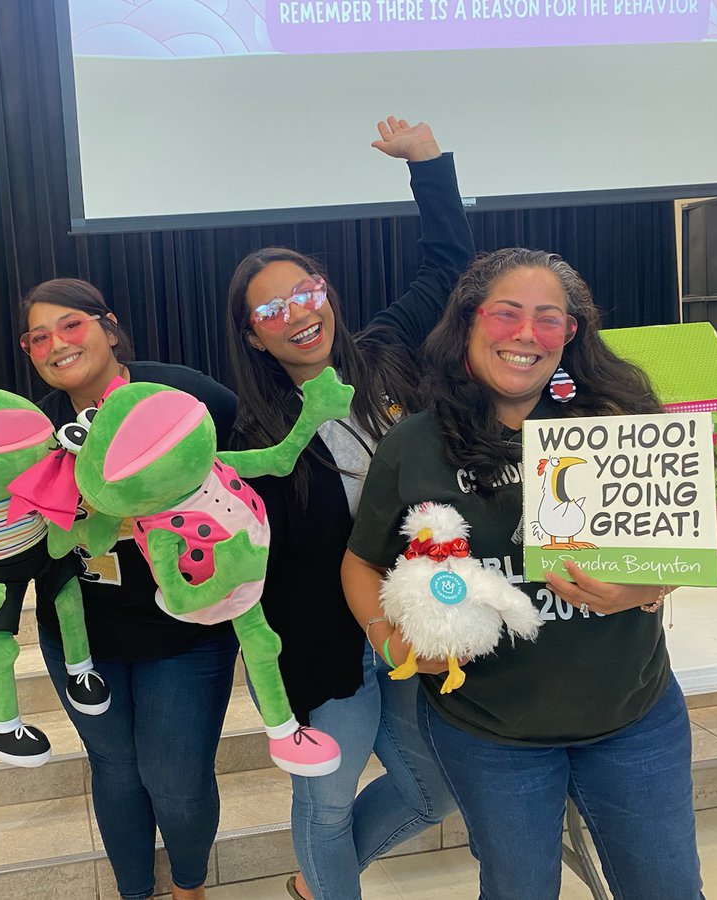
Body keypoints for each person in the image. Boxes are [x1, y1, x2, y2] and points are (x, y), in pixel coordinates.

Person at [342, 247, 705, 898]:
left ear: (570, 334)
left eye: (548, 319)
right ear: (469, 322)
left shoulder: (615, 419)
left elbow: (674, 551)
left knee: (668, 888)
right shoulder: (414, 443)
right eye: (507, 313)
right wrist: (385, 635)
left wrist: (645, 586)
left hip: (632, 716)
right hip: (490, 732)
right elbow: (362, 560)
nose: (525, 334)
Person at [224, 117, 473, 900]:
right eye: (273, 309)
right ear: (256, 338)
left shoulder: (389, 352)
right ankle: (329, 884)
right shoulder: (252, 434)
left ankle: (315, 883)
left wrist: (427, 165)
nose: (299, 312)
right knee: (325, 804)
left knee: (433, 791)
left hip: (407, 623)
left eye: (307, 291)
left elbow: (449, 266)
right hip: (327, 650)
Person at [20, 277, 239, 900]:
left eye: (71, 325)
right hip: (83, 639)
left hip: (185, 632)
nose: (57, 343)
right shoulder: (37, 428)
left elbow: (230, 427)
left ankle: (190, 887)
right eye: (39, 337)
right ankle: (135, 892)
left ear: (108, 326)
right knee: (115, 771)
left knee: (177, 780)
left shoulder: (176, 392)